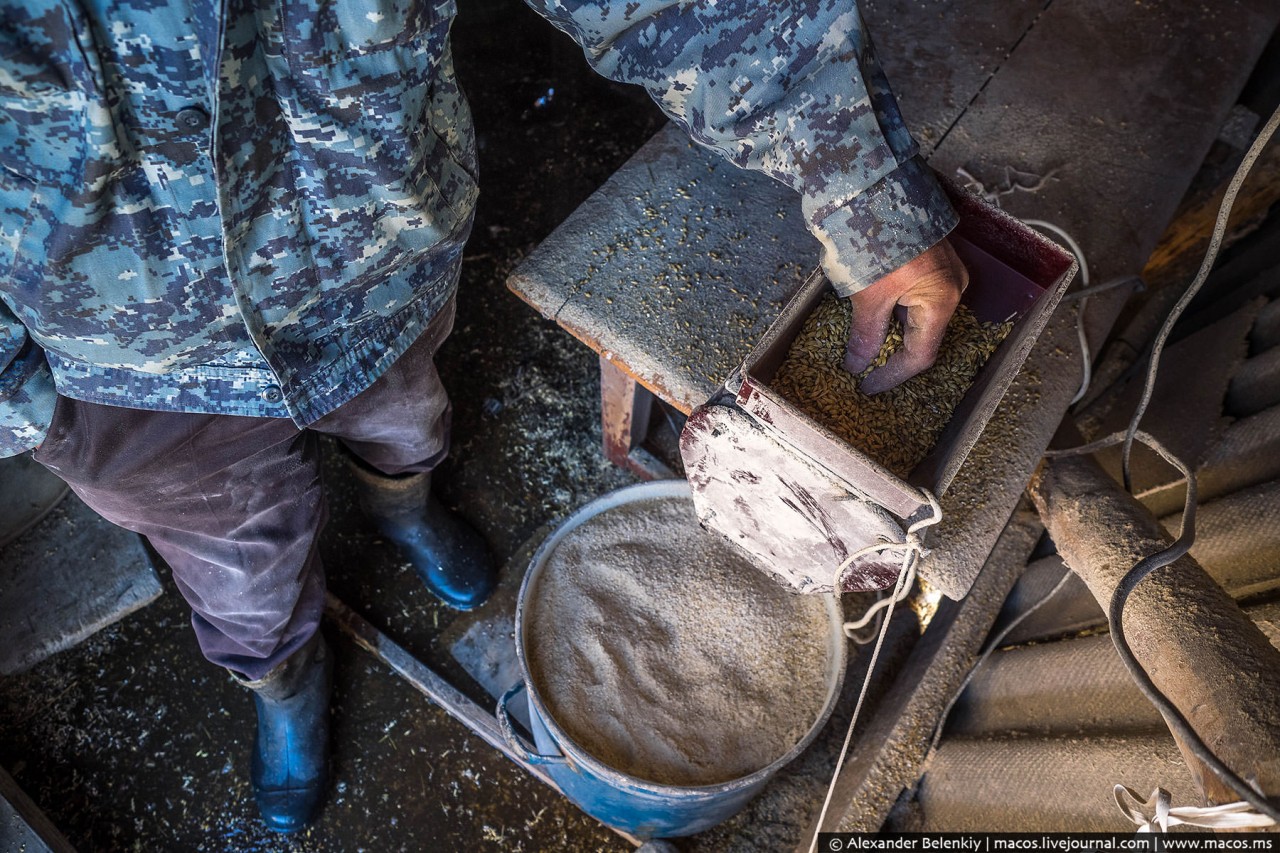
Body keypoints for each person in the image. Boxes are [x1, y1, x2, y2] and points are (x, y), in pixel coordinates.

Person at [0, 0, 966, 833]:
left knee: (410, 425)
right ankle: (284, 681)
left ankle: (404, 508)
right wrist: (20, 395)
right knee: (237, 573)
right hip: (131, 378)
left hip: (375, 274)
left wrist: (862, 186)